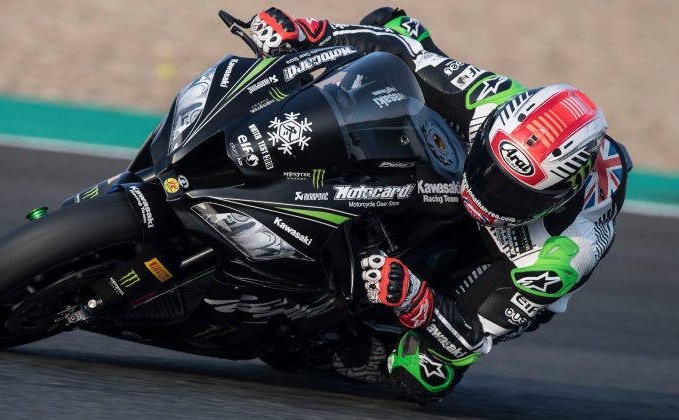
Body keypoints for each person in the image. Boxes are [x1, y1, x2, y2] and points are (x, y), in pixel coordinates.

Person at [248, 7, 631, 402]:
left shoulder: (563, 255)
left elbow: (471, 337)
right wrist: (309, 34)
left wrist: (417, 299)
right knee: (392, 25)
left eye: (512, 193)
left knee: (425, 373)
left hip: (505, 257)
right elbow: (404, 52)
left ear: (557, 198)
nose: (487, 193)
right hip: (464, 157)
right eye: (489, 169)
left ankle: (346, 341)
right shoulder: (494, 99)